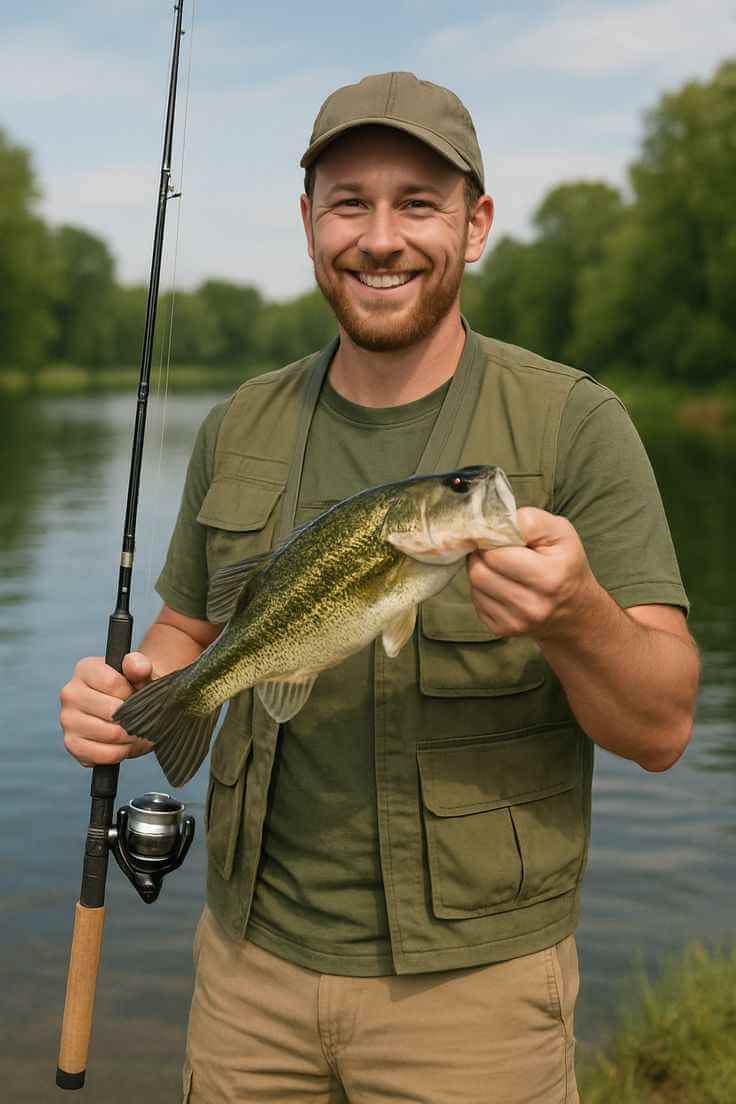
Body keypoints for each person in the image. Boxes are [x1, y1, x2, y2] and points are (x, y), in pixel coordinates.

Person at [59, 72, 700, 1103]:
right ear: (308, 225)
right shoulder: (240, 423)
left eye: (418, 203)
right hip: (246, 975)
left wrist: (578, 616)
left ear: (475, 224)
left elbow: (664, 728)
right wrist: (135, 695)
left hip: (475, 995)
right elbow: (187, 631)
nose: (380, 237)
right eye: (349, 202)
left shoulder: (573, 423)